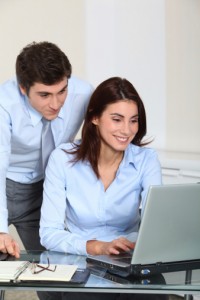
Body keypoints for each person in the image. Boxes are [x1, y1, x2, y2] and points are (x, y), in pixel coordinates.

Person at [40, 77, 168, 300]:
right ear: (94, 117)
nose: (127, 130)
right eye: (117, 119)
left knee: (149, 296)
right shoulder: (62, 160)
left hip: (130, 258)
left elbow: (156, 224)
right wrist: (98, 247)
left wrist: (136, 244)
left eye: (133, 121)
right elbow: (49, 233)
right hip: (83, 259)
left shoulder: (146, 160)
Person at [0, 41, 93, 259]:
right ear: (23, 88)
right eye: (44, 95)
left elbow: (95, 143)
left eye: (62, 91)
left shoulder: (84, 93)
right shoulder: (4, 103)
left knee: (53, 268)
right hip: (5, 183)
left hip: (45, 188)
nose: (55, 103)